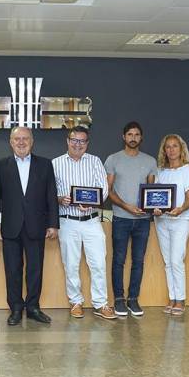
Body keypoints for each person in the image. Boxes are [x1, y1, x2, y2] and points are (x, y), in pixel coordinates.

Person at [0, 126, 59, 326]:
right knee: (12, 270)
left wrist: (53, 224)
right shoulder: (1, 165)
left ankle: (33, 307)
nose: (21, 142)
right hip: (10, 227)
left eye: (25, 138)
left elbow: (51, 196)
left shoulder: (45, 165)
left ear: (32, 141)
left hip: (37, 225)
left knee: (35, 269)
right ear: (11, 142)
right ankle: (16, 308)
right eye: (17, 139)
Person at [53, 126, 116, 320]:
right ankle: (76, 302)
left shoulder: (95, 161)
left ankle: (101, 304)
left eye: (82, 141)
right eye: (74, 140)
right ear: (67, 141)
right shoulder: (55, 163)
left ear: (87, 143)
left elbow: (103, 188)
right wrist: (60, 198)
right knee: (70, 264)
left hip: (91, 221)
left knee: (98, 263)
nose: (78, 144)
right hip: (67, 221)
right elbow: (49, 192)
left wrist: (91, 204)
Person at [104, 121, 157, 317]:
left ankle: (133, 299)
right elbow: (108, 191)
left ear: (141, 138)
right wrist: (126, 206)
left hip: (143, 220)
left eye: (136, 134)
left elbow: (151, 192)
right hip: (121, 218)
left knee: (138, 261)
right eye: (129, 134)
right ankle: (119, 299)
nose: (133, 138)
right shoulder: (113, 159)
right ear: (123, 137)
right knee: (118, 260)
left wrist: (146, 208)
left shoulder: (150, 161)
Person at [152, 134, 189, 316]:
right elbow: (154, 196)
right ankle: (172, 297)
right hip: (161, 221)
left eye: (175, 146)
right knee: (168, 262)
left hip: (180, 220)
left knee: (177, 260)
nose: (171, 150)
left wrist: (180, 209)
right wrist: (154, 209)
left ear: (181, 149)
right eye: (168, 147)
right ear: (164, 150)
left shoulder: (187, 170)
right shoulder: (160, 171)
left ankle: (181, 300)